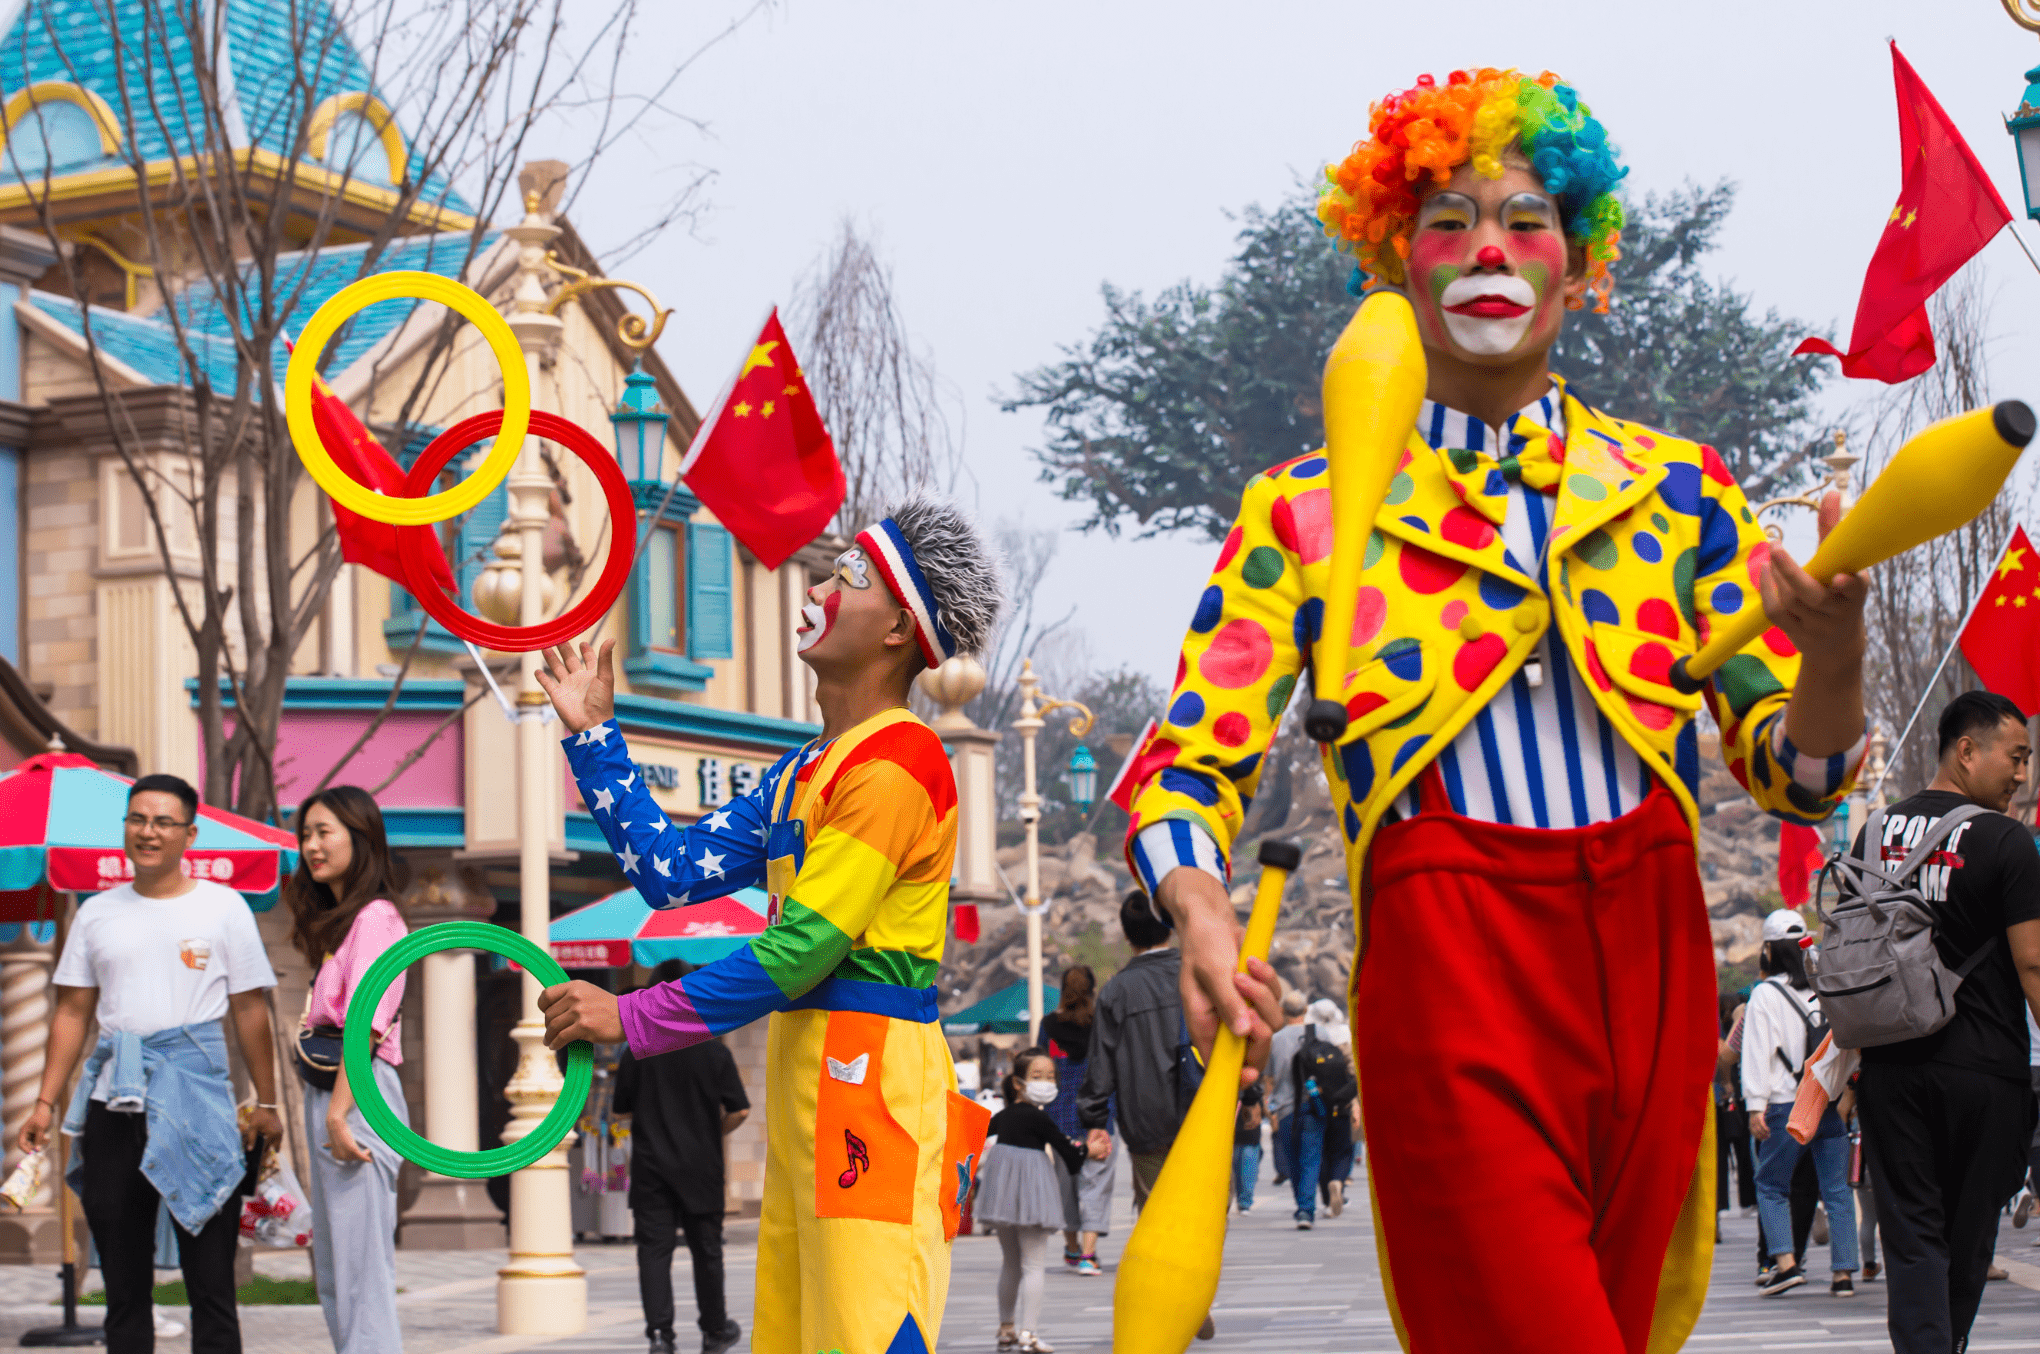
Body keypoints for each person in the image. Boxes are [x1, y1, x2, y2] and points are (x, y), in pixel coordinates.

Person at [1125, 66, 1869, 1352]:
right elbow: (1190, 762)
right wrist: (1196, 904)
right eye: (1448, 220)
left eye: (1525, 220)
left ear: (1580, 268)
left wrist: (1837, 645)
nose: (1487, 248)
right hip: (1446, 964)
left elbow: (1800, 776)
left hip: (1653, 966)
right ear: (1395, 264)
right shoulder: (1305, 511)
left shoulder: (1675, 492)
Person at [532, 497, 1004, 1354]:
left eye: (845, 575)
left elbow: (802, 948)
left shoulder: (901, 761)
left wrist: (632, 1017)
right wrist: (595, 737)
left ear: (900, 626)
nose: (814, 588)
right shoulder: (804, 770)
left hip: (872, 1086)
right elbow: (669, 876)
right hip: (808, 1082)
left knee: (868, 1331)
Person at [20, 773, 283, 1354]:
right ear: (124, 828)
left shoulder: (224, 907)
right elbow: (72, 1011)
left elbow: (250, 1012)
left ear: (189, 834)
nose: (148, 831)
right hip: (117, 1098)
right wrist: (44, 1101)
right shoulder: (97, 912)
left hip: (199, 1097)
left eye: (163, 821)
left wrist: (266, 1103)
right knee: (123, 1283)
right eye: (138, 819)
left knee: (211, 1280)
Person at [1852, 691, 2040, 1352]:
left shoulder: (1871, 835)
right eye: (2015, 757)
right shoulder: (2006, 840)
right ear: (1967, 750)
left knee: (1912, 1241)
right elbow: (2034, 965)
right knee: (1965, 1241)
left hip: (1890, 1073)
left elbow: (1853, 960)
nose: (2021, 774)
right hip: (1984, 1072)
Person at [284, 786, 411, 1353]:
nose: (311, 846)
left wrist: (339, 1114)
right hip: (336, 1095)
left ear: (361, 839)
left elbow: (368, 1024)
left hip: (357, 1094)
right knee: (336, 1275)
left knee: (362, 1276)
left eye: (324, 832)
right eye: (305, 834)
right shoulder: (344, 924)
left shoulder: (379, 918)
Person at [1077, 892, 1214, 1339]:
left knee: (1155, 1210)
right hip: (1204, 1114)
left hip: (1145, 1120)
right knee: (1207, 1209)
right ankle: (1198, 1293)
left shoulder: (1117, 990)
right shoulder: (1198, 973)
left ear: (1127, 934)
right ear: (1170, 926)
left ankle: (1178, 1296)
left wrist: (1095, 1116)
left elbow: (1101, 1063)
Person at [613, 960, 751, 1354]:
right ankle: (714, 1330)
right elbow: (739, 1109)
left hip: (651, 1168)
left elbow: (620, 1112)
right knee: (707, 1251)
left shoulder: (637, 1051)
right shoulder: (713, 1051)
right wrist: (711, 1131)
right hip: (701, 1166)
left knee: (654, 1253)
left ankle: (660, 1335)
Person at [1742, 909, 1857, 1296]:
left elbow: (1757, 1053)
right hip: (1823, 1101)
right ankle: (1843, 1275)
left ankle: (1786, 1264)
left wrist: (1754, 1105)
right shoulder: (1823, 987)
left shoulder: (1765, 995)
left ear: (1770, 950)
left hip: (1783, 1104)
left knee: (1771, 1185)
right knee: (1837, 1190)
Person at [977, 1048, 1087, 1354]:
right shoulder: (1039, 1119)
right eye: (1037, 1076)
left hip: (1001, 1196)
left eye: (1051, 1076)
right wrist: (1090, 1150)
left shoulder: (1004, 1116)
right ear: (1018, 1083)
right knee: (1034, 1265)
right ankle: (1029, 1333)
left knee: (1010, 1263)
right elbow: (1070, 1154)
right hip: (1034, 1193)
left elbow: (976, 1134)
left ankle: (1005, 1330)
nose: (1047, 1082)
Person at [1037, 964, 1110, 1275]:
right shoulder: (1102, 1024)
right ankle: (1088, 1254)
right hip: (1100, 1115)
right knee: (1095, 1184)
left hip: (1059, 1119)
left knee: (1065, 1185)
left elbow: (1039, 1068)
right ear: (1092, 990)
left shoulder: (1049, 1025)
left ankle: (1070, 1247)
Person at [1264, 989, 1309, 1186]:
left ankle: (1287, 1176)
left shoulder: (1275, 1039)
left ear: (1282, 1011)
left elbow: (1269, 1079)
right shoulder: (1319, 1033)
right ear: (1305, 1010)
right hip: (1314, 1104)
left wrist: (1268, 1105)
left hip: (1283, 1107)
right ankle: (1307, 1201)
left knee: (1286, 1147)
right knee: (1310, 1152)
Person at [1233, 1081, 1264, 1214]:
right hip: (1245, 1124)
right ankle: (1244, 1201)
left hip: (1243, 1123)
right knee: (1246, 1163)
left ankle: (1244, 1200)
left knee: (1241, 1164)